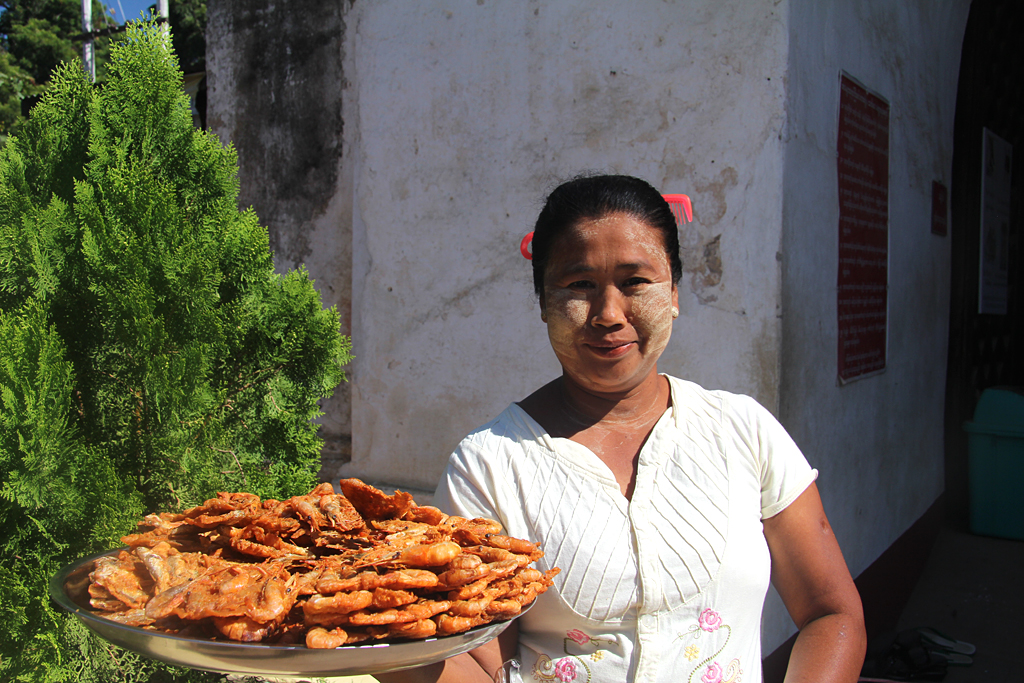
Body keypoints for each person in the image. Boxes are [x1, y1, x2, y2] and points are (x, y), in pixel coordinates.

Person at [377, 174, 865, 683]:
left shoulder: (743, 432)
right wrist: (382, 656)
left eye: (634, 282)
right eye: (579, 285)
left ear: (674, 292)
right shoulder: (490, 466)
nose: (608, 314)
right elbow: (479, 661)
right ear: (543, 303)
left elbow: (831, 614)